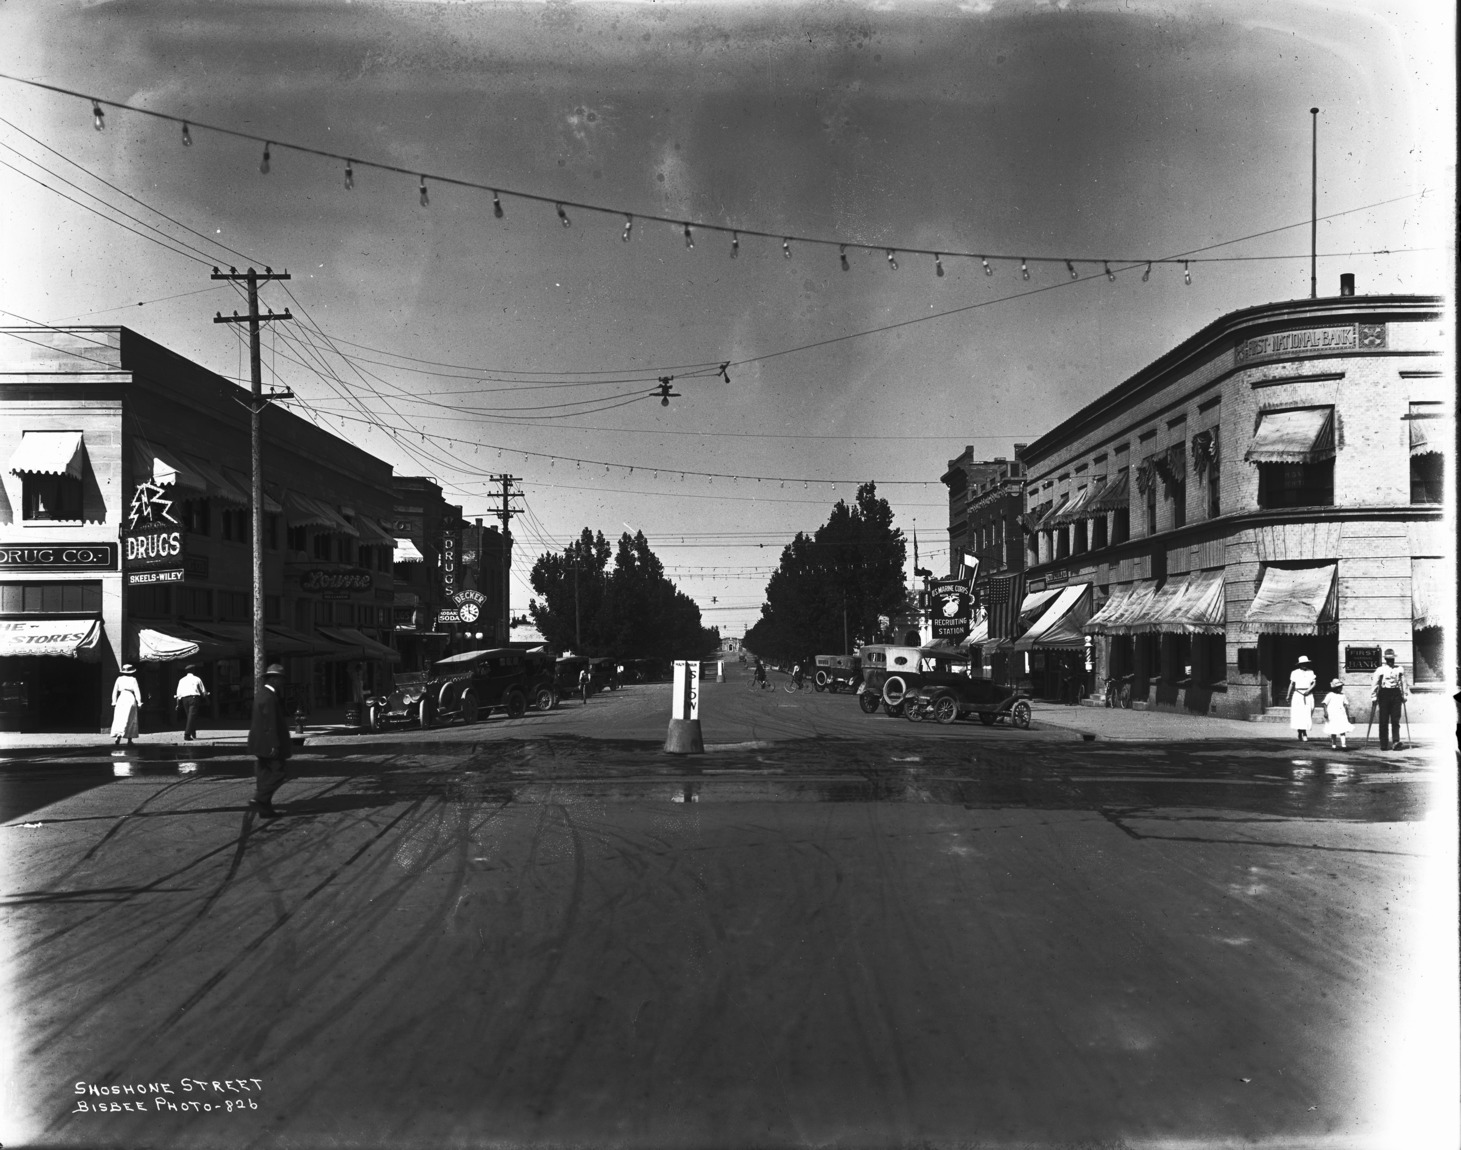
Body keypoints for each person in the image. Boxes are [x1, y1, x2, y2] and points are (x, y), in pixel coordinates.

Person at [246, 663, 293, 819]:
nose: (282, 683)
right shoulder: (269, 697)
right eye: (280, 679)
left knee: (264, 774)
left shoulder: (262, 694)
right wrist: (274, 744)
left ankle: (264, 809)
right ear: (273, 679)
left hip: (259, 742)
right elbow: (270, 723)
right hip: (267, 743)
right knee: (279, 772)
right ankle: (260, 799)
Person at [1369, 647, 1409, 751]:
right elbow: (1375, 683)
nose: (1391, 661)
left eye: (1392, 659)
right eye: (1389, 659)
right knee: (1384, 720)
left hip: (1396, 693)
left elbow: (1404, 682)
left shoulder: (1399, 669)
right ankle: (1383, 743)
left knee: (1395, 719)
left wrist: (1405, 694)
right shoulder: (1380, 670)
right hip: (1384, 693)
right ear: (1385, 660)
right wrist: (1373, 696)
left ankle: (1396, 741)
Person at [110, 664, 143, 747]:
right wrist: (139, 702)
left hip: (121, 698)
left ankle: (118, 735)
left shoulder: (119, 679)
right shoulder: (133, 679)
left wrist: (114, 702)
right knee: (130, 718)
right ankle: (129, 739)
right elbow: (137, 691)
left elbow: (114, 691)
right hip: (130, 698)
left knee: (120, 717)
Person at [1286, 655, 1317, 742]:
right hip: (1298, 694)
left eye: (1306, 663)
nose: (1304, 665)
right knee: (1300, 714)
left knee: (1308, 713)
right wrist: (1288, 695)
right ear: (1299, 664)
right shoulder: (1294, 672)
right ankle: (1304, 733)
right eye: (1303, 664)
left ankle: (1301, 731)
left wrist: (1308, 690)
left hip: (1308, 694)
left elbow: (1314, 683)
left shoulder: (1311, 672)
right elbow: (1291, 684)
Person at [174, 663, 208, 741]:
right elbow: (203, 691)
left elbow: (178, 693)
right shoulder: (197, 679)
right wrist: (207, 700)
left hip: (184, 699)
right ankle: (187, 735)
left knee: (190, 716)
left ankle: (193, 733)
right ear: (193, 670)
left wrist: (177, 704)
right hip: (194, 699)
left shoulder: (181, 680)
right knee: (191, 716)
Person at [1323, 678, 1352, 751]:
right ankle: (1334, 745)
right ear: (1334, 688)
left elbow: (1345, 705)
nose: (1340, 689)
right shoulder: (1330, 695)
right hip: (1332, 714)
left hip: (1341, 714)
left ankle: (1344, 745)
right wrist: (1325, 712)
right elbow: (1325, 704)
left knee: (1342, 729)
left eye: (1341, 687)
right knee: (1333, 730)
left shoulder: (1343, 695)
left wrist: (1348, 715)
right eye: (1338, 687)